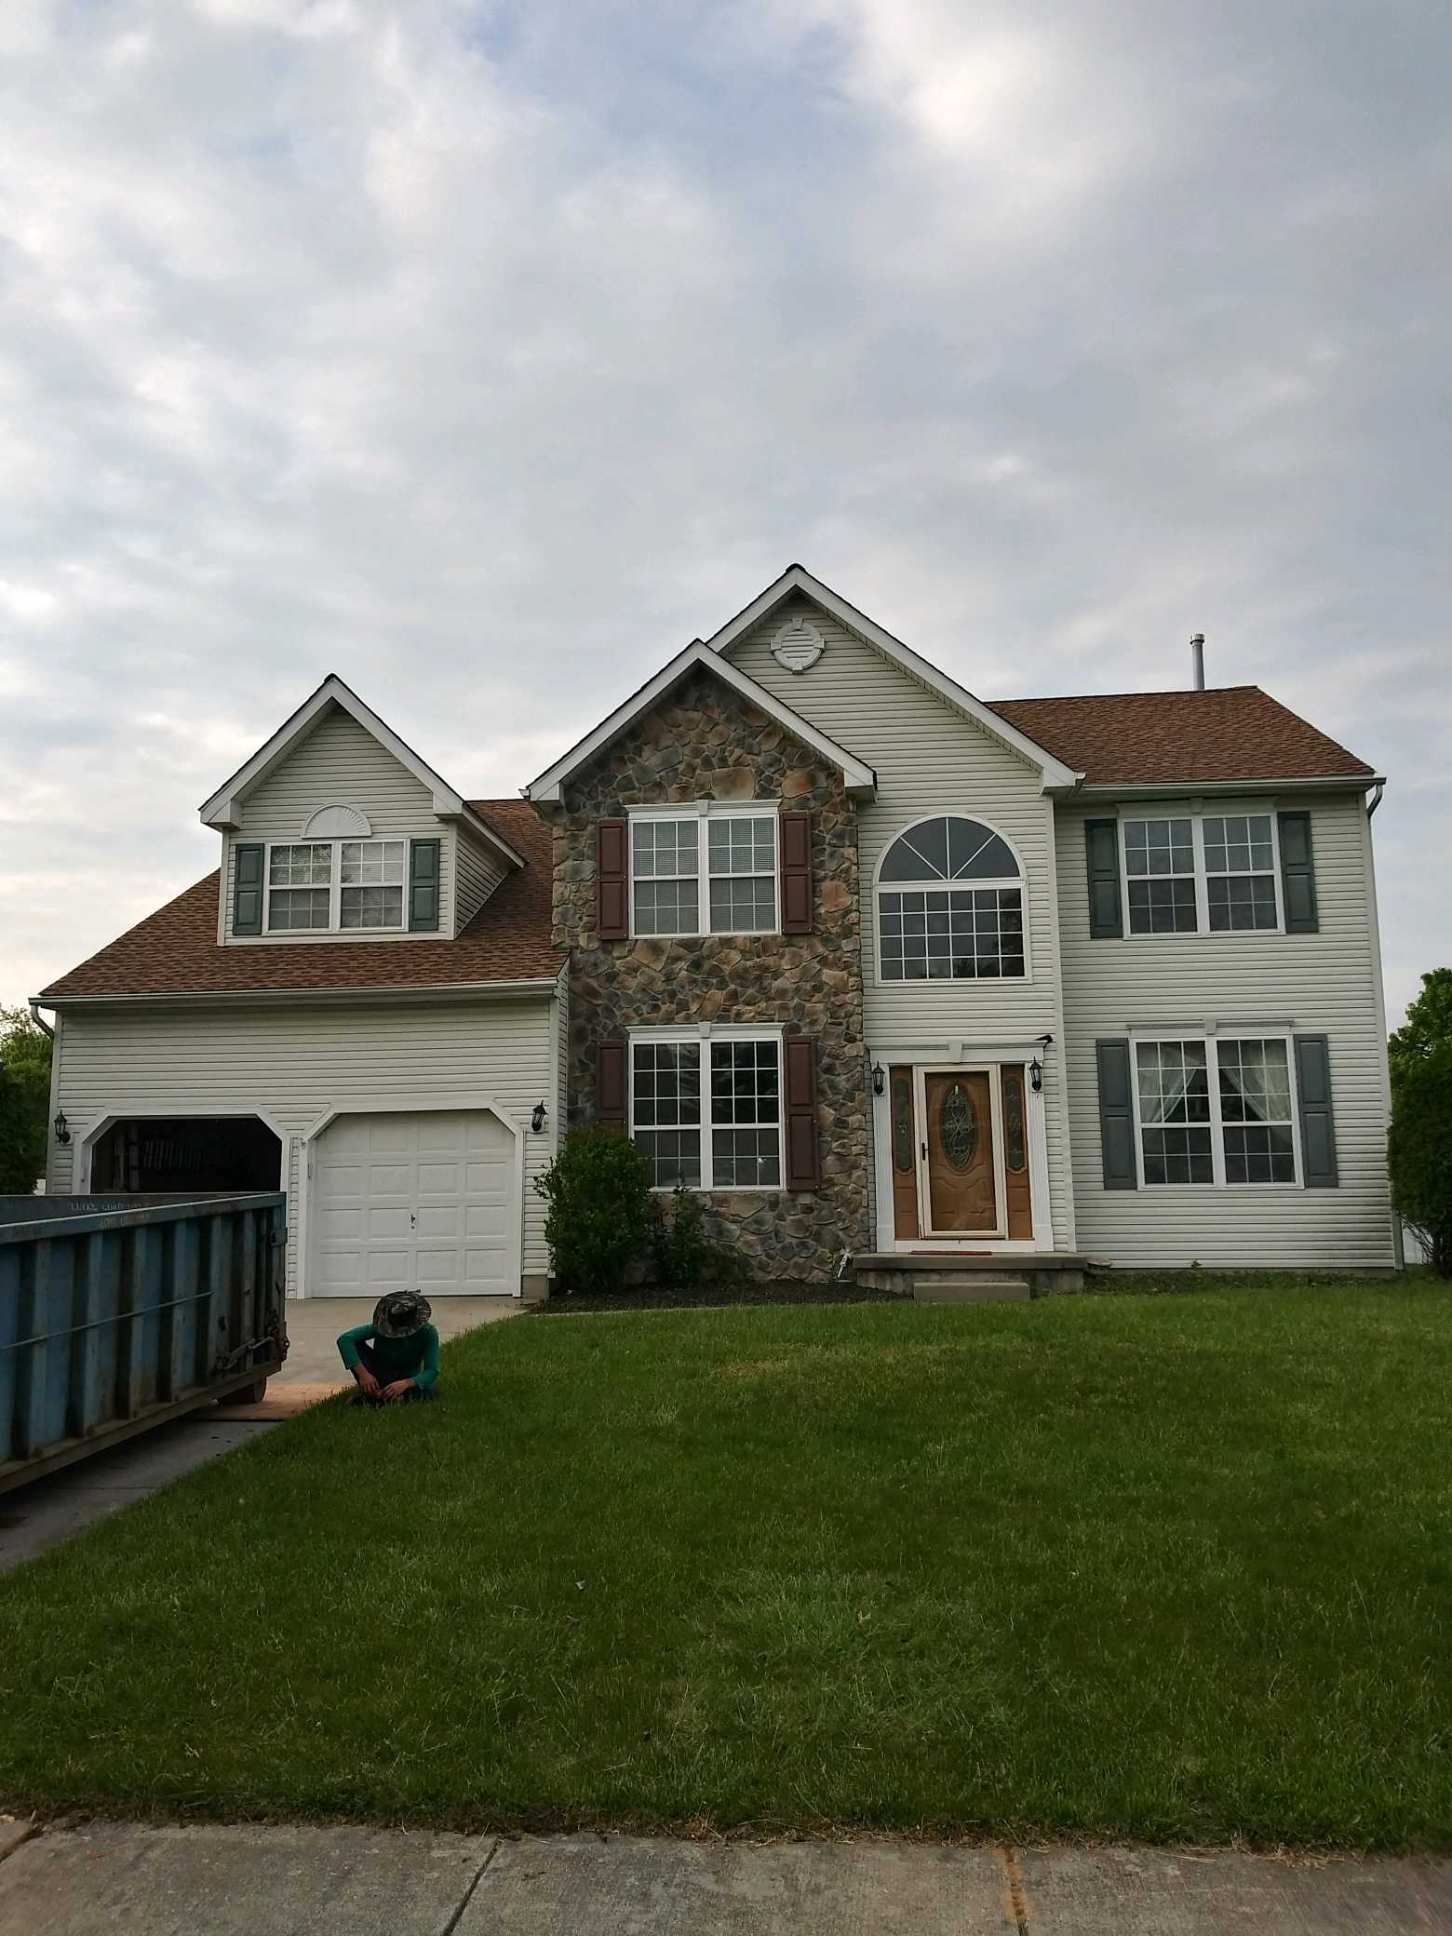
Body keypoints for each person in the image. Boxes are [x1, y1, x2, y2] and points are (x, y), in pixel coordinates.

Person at [337, 1292, 441, 1406]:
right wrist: (364, 1375)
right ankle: (378, 1394)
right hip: (379, 1373)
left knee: (429, 1389)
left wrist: (406, 1383)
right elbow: (345, 1340)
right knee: (357, 1345)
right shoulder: (382, 1327)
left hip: (407, 1377)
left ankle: (382, 1399)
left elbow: (431, 1371)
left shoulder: (428, 1332)